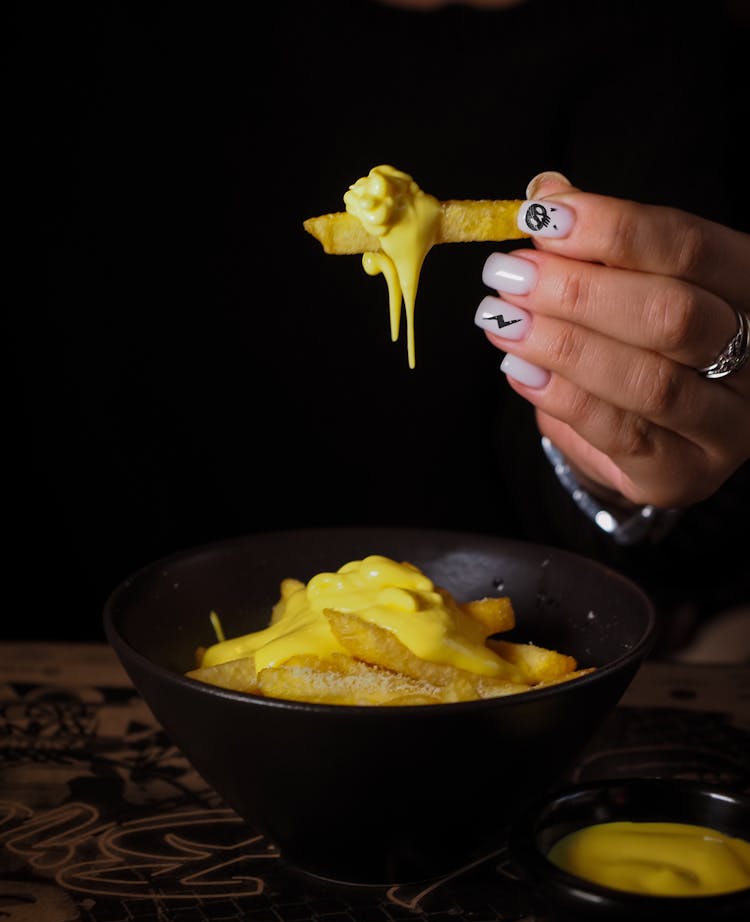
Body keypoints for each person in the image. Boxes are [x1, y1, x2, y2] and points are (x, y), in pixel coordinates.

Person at [5, 0, 749, 650]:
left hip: (516, 681)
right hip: (90, 651)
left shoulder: (659, 36)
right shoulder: (85, 31)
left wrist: (616, 464)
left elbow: (688, 524)